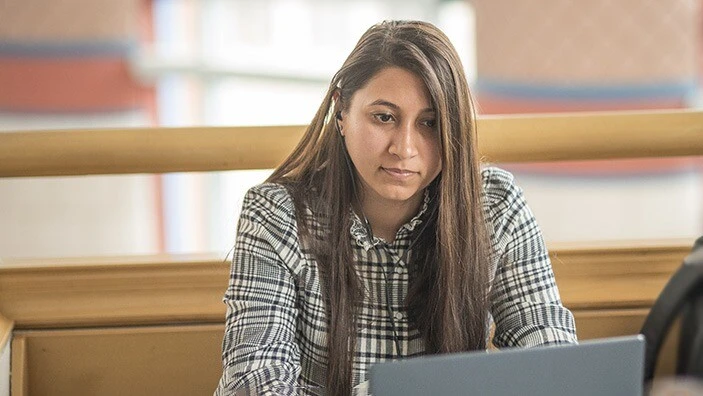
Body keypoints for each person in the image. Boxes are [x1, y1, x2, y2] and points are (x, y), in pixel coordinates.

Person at [214, 20, 577, 396]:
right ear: (342, 112)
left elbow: (549, 345)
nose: (404, 148)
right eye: (384, 117)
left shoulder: (494, 205)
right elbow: (255, 377)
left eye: (429, 123)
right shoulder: (276, 215)